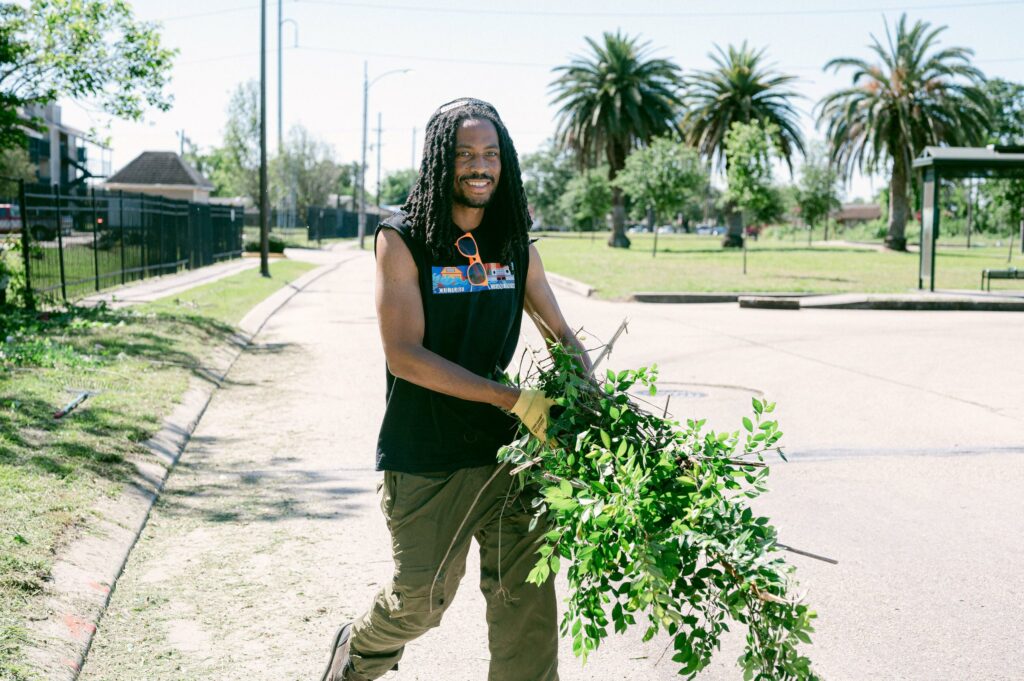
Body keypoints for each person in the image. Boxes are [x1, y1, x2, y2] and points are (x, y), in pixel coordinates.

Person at [320, 98, 591, 681]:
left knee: (528, 602)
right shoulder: (403, 239)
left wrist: (591, 404)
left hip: (508, 456)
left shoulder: (515, 244)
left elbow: (561, 334)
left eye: (491, 154)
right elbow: (404, 355)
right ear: (443, 159)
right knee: (421, 601)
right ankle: (358, 654)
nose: (480, 166)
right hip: (428, 453)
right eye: (467, 153)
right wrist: (512, 398)